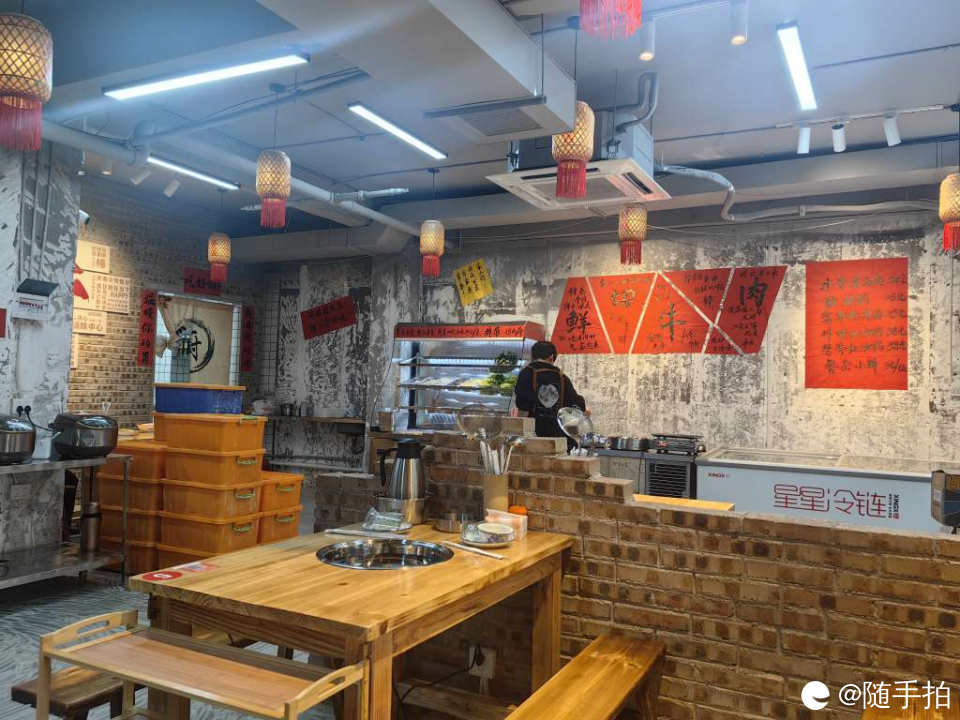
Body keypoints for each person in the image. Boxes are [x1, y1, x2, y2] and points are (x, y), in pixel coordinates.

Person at [514, 340, 587, 441]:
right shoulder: (562, 377)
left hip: (533, 435)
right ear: (552, 357)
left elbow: (523, 409)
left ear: (533, 356)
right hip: (558, 436)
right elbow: (577, 406)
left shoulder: (526, 373)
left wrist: (518, 435)